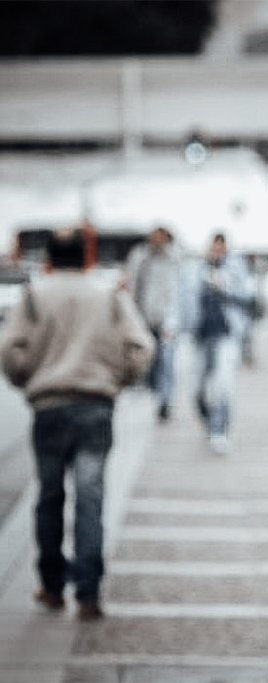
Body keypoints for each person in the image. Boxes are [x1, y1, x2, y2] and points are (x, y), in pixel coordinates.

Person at [0, 228, 154, 621]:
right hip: (95, 406)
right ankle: (88, 591)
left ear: (49, 257)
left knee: (49, 497)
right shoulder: (108, 294)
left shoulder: (36, 295)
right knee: (91, 499)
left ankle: (52, 587)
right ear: (86, 255)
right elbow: (142, 346)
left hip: (49, 406)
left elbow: (10, 349)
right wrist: (120, 380)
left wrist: (26, 380)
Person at [187, 233, 256, 455]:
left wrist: (224, 287)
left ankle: (219, 430)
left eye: (220, 248)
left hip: (226, 334)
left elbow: (248, 299)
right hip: (200, 334)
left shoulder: (236, 270)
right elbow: (182, 299)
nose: (216, 252)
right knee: (197, 387)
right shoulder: (194, 270)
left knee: (224, 386)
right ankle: (208, 421)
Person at [123, 226, 181, 422]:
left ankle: (164, 401)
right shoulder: (139, 256)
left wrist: (172, 320)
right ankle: (146, 387)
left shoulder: (173, 259)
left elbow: (176, 291)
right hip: (142, 317)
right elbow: (130, 284)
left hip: (164, 319)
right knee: (145, 357)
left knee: (166, 361)